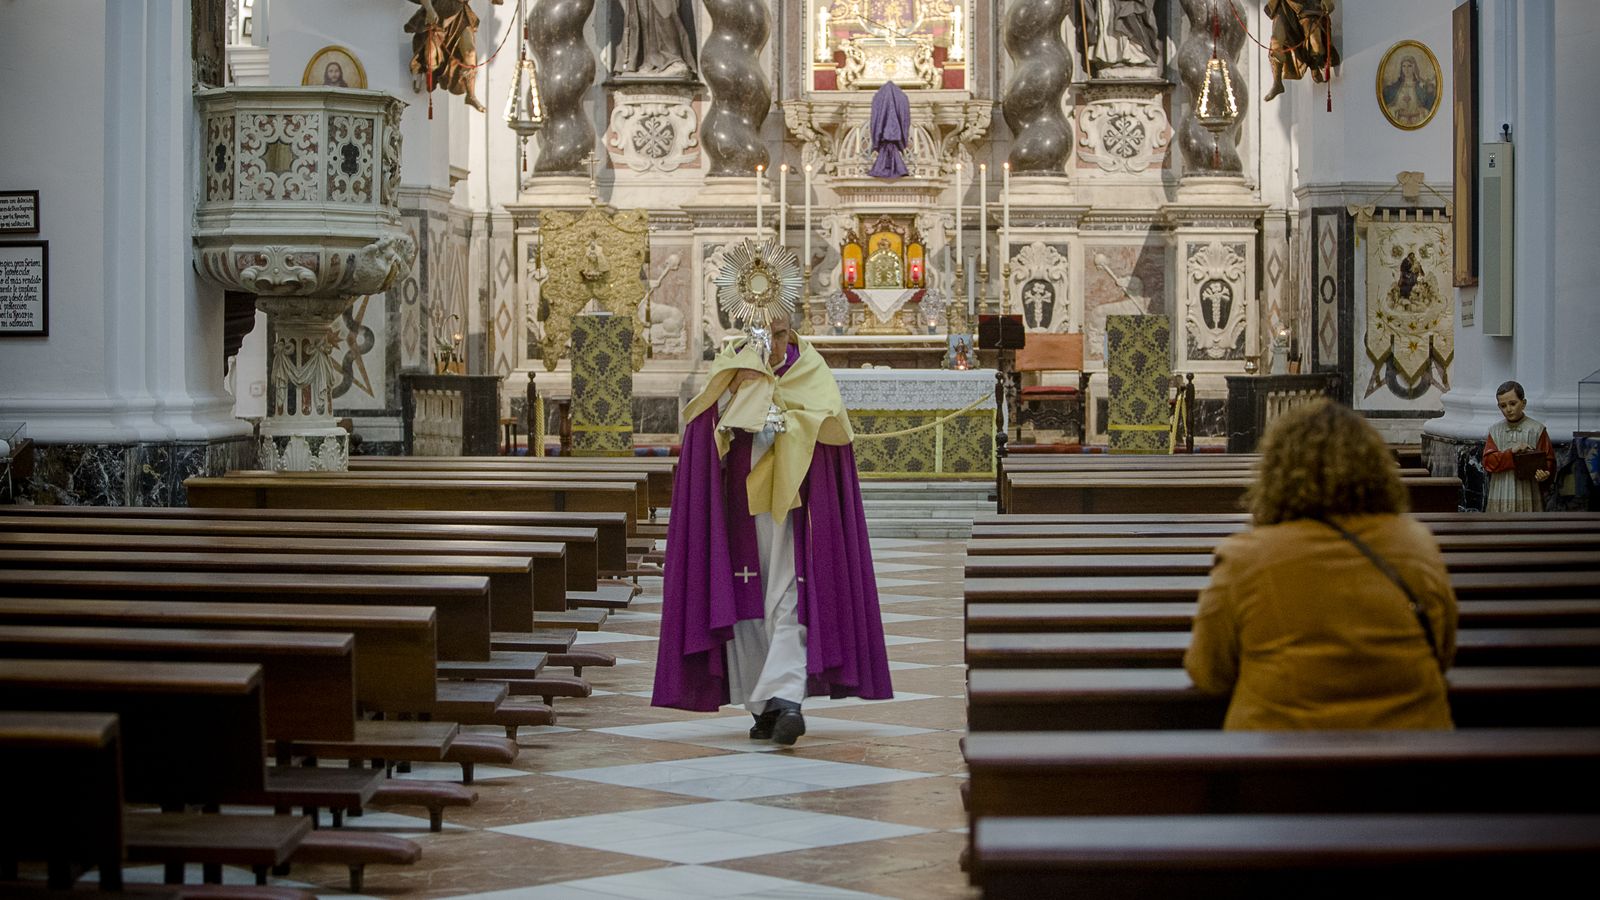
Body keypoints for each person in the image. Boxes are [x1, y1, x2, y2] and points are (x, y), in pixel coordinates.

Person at [653, 312, 893, 744]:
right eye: (763, 336)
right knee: (745, 604)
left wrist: (790, 421)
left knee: (790, 597)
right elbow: (703, 427)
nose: (773, 345)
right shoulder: (732, 366)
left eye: (780, 335)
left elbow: (834, 430)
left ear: (792, 330)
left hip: (796, 510)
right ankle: (762, 706)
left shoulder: (810, 370)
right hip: (741, 510)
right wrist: (732, 399)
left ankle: (786, 699)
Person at [1184, 398, 1458, 729]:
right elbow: (1441, 652)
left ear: (1277, 472)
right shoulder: (1417, 546)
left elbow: (1208, 672)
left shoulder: (1246, 557)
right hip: (1409, 760)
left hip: (1277, 759)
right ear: (1375, 469)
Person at [1483, 380, 1554, 512]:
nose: (1508, 409)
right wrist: (1510, 453)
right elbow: (1488, 461)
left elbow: (1548, 459)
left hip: (1528, 490)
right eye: (1503, 406)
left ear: (1523, 403)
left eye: (1513, 403)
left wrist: (1544, 473)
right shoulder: (1495, 430)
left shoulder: (1536, 429)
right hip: (1501, 489)